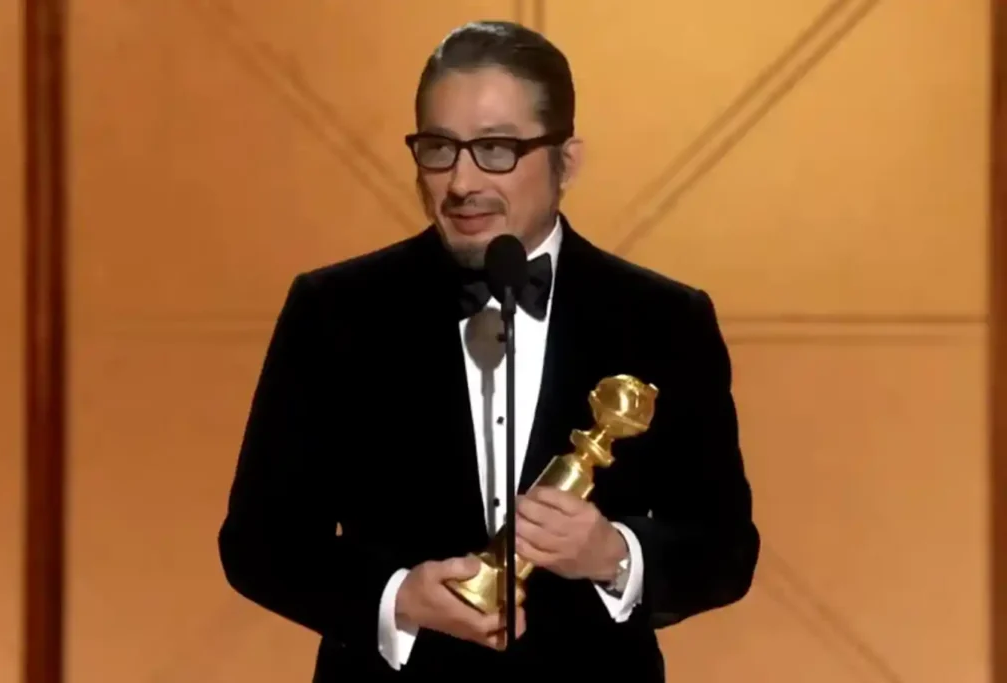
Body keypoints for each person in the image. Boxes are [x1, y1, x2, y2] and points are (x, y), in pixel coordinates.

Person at [217, 20, 759, 682]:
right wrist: (396, 599)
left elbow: (726, 549)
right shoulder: (335, 311)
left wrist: (614, 554)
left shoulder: (665, 319)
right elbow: (259, 543)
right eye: (439, 148)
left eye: (496, 149)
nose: (460, 182)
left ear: (567, 159)